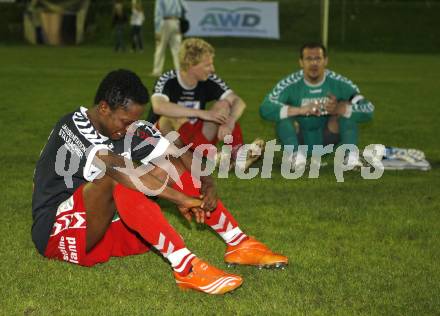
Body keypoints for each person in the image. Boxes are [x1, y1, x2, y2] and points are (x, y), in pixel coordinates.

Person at [32, 69, 287, 295]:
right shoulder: (74, 128)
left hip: (106, 230)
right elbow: (123, 172)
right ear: (103, 108)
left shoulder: (127, 126)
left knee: (170, 164)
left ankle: (238, 242)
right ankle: (185, 267)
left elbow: (180, 153)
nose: (130, 128)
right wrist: (182, 199)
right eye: (125, 121)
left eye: (135, 120)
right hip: (59, 233)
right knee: (119, 178)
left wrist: (208, 183)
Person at [150, 38, 265, 171]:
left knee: (224, 105)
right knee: (170, 117)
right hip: (164, 141)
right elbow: (158, 107)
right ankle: (216, 158)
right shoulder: (168, 79)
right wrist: (202, 113)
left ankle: (238, 156)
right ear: (191, 65)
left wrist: (229, 122)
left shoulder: (209, 79)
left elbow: (239, 102)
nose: (212, 69)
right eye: (207, 65)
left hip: (195, 141)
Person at [260, 42, 374, 167]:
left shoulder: (339, 83)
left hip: (327, 139)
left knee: (346, 108)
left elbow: (368, 109)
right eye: (309, 59)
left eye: (318, 59)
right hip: (299, 138)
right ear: (301, 62)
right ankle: (295, 157)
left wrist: (340, 109)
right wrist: (299, 110)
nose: (314, 63)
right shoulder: (290, 83)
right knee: (283, 115)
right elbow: (265, 107)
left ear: (325, 61)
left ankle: (350, 156)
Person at [151, 0, 187, 77]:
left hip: (165, 22)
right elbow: (186, 8)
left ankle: (157, 71)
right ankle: (180, 71)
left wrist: (157, 30)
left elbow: (158, 13)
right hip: (177, 22)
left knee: (160, 47)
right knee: (177, 49)